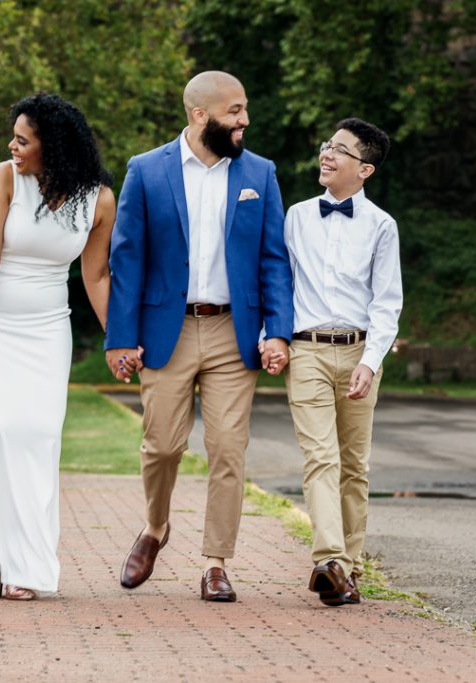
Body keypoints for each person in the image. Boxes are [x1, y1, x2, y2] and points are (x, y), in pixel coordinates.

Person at [105, 71, 293, 601]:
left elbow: (274, 259)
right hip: (169, 329)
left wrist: (277, 331)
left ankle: (215, 563)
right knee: (162, 446)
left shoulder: (260, 172)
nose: (245, 120)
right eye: (235, 111)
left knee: (228, 449)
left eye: (245, 109)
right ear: (199, 115)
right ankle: (156, 527)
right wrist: (121, 337)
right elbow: (128, 258)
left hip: (235, 333)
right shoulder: (146, 171)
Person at [0, 93, 117, 600]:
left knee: (37, 437)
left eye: (23, 140)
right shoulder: (4, 178)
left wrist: (118, 340)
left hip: (48, 329)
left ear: (56, 146)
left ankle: (13, 562)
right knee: (0, 427)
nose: (12, 146)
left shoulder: (100, 199)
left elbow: (96, 275)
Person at [283, 118, 401, 606]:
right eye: (326, 146)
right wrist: (275, 339)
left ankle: (347, 572)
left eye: (341, 150)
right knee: (321, 457)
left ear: (365, 169)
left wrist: (370, 361)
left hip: (359, 352)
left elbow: (387, 302)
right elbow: (279, 283)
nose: (326, 155)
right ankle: (328, 559)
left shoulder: (382, 226)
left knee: (354, 466)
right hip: (306, 349)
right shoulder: (295, 216)